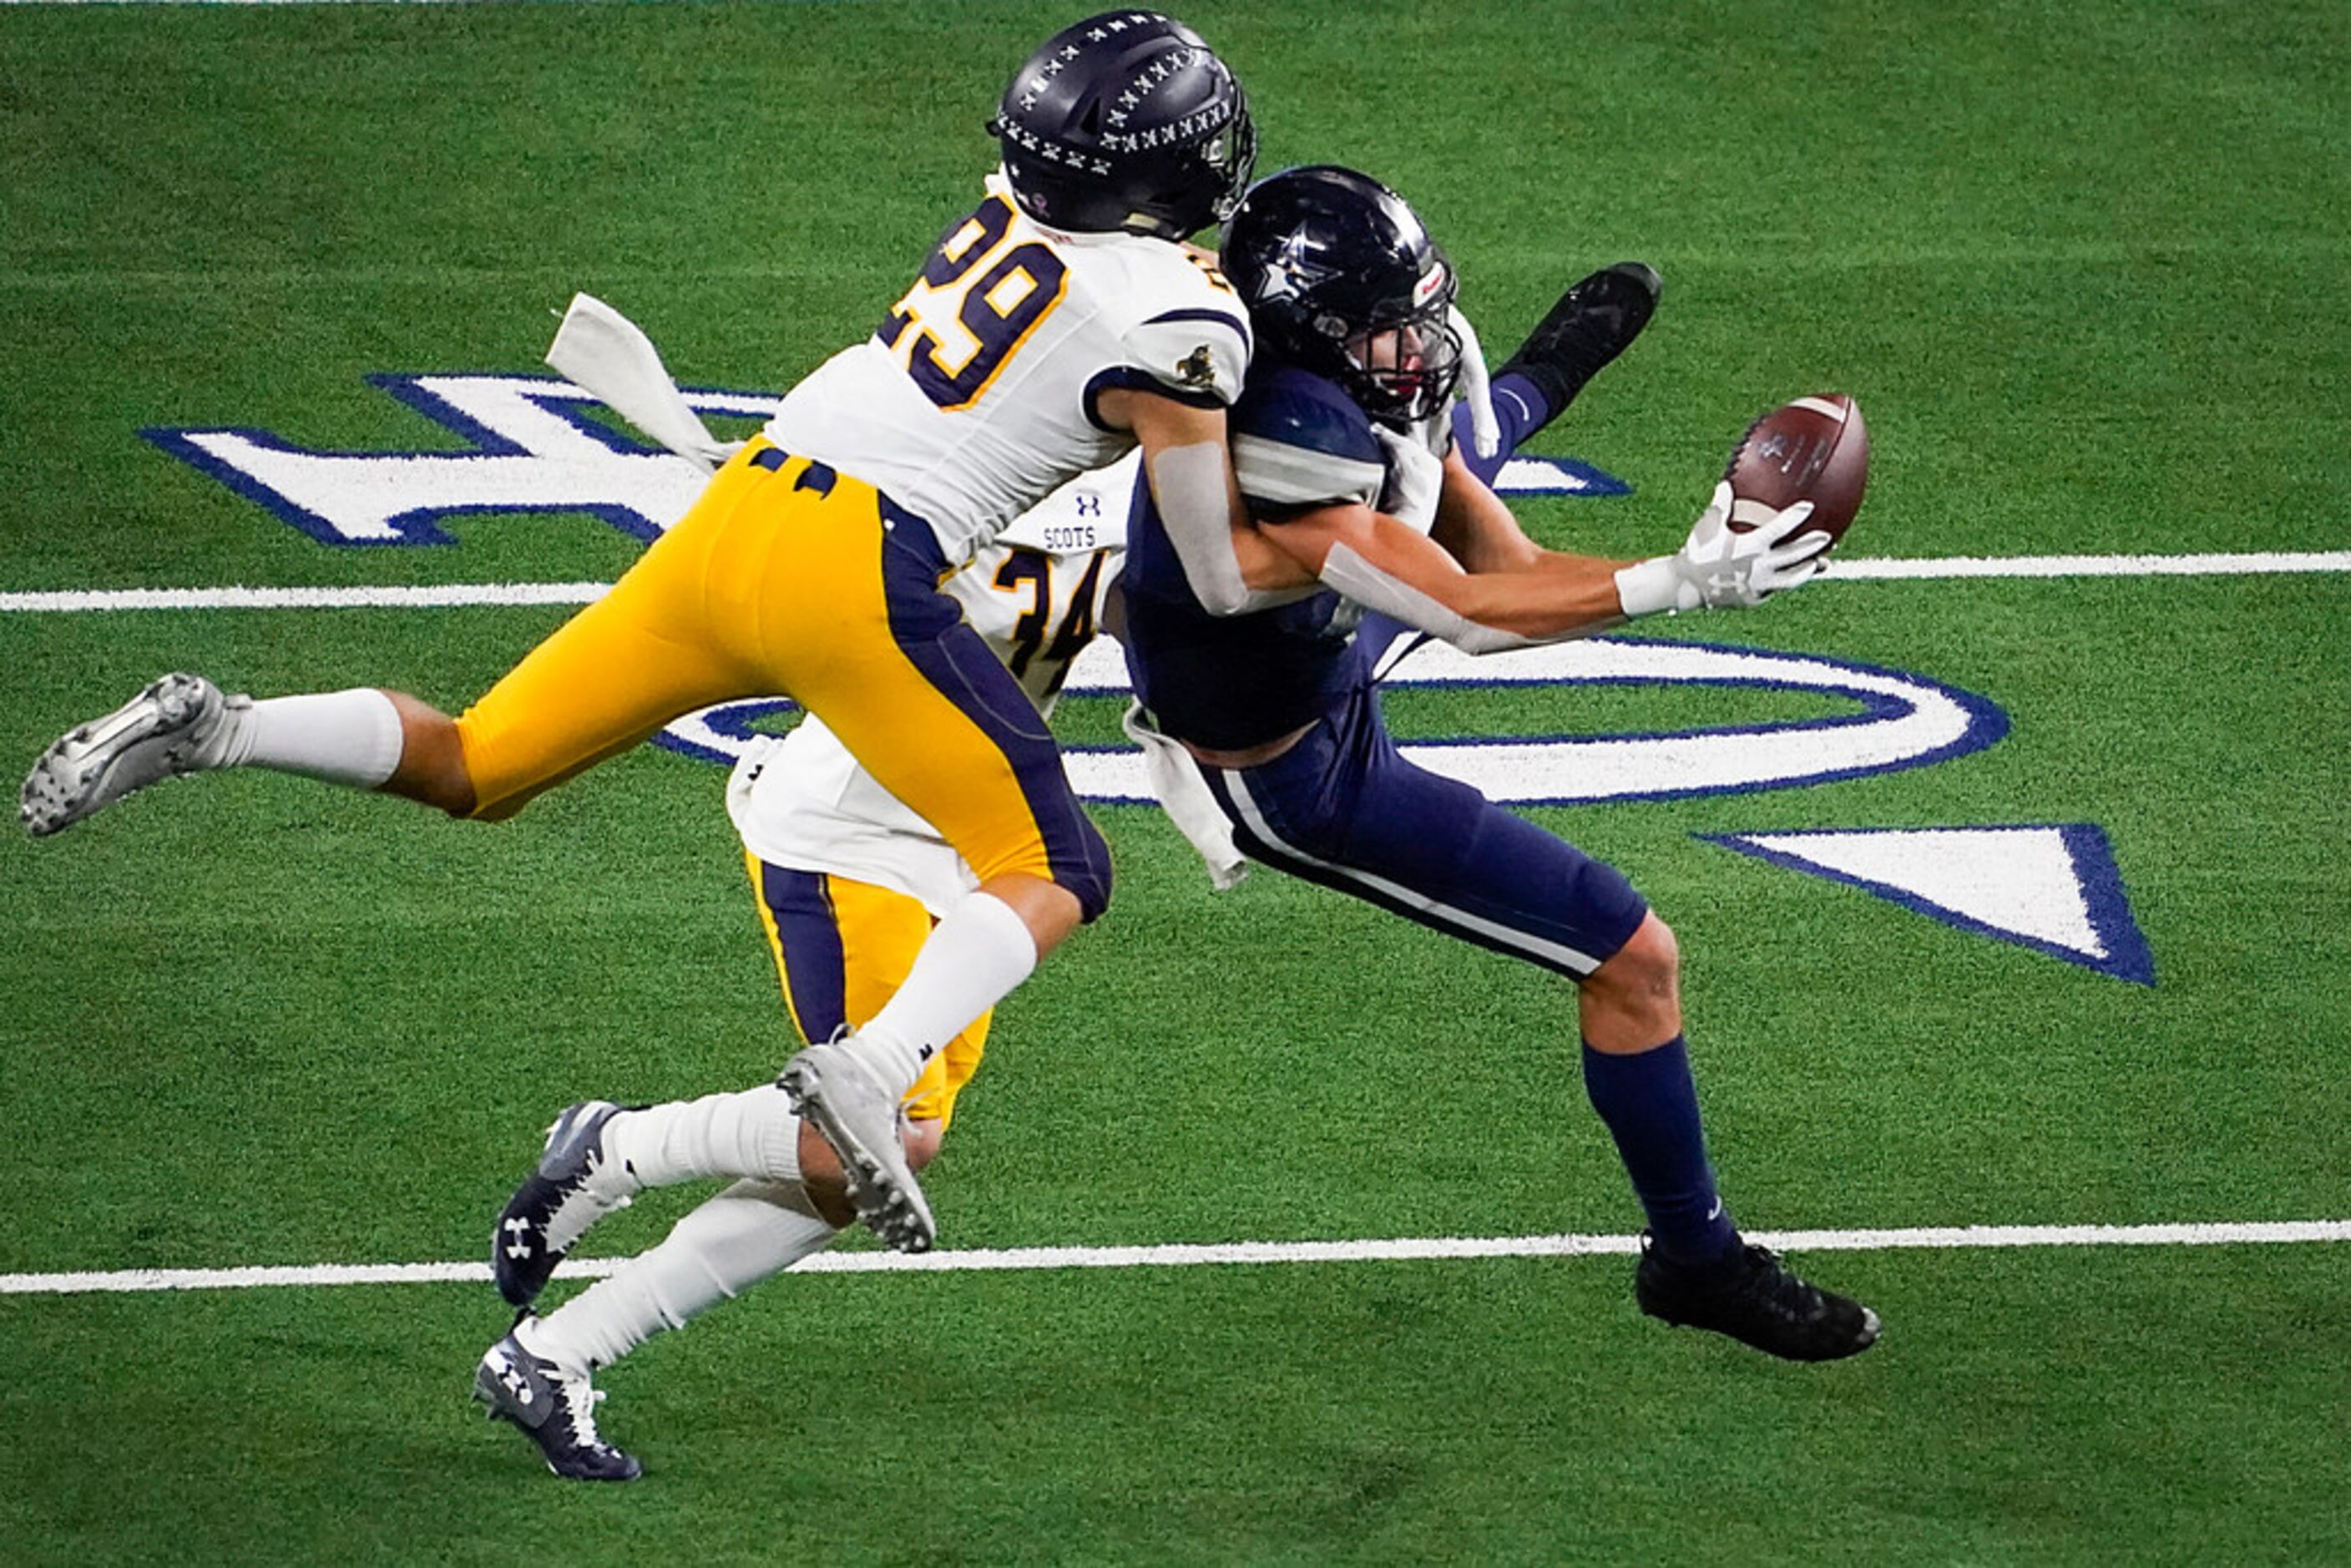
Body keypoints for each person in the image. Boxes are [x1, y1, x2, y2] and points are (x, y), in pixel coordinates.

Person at [21, 9, 1257, 1272]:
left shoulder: (1006, 209)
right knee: (1055, 865)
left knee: (476, 762)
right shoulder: (1176, 318)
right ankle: (871, 1069)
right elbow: (1209, 571)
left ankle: (225, 729)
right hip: (860, 571)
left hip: (744, 510)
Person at [470, 260, 1664, 1481]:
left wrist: (1544, 373)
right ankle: (614, 1150)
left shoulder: (1191, 495)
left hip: (990, 856)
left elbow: (1427, 493)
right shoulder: (1013, 488)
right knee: (888, 1139)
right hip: (854, 828)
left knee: (852, 1163)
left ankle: (559, 1350)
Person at [1118, 164, 1880, 1363]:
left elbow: (1508, 555)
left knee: (1465, 441)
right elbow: (1474, 612)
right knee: (1633, 954)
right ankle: (1696, 1257)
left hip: (1324, 647)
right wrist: (1676, 582)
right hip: (1287, 764)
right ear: (1306, 333)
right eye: (1386, 325)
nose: (1414, 344)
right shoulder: (1282, 429)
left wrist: (1641, 558)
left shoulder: (1347, 388)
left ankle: (1545, 370)